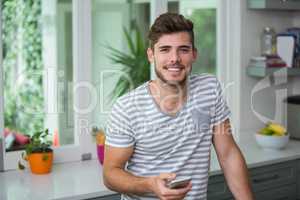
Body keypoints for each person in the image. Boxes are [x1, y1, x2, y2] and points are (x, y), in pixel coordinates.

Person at [103, 13, 254, 200]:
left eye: (183, 49)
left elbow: (228, 154)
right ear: (151, 55)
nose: (174, 58)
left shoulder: (209, 89)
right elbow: (110, 174)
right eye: (165, 49)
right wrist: (149, 184)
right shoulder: (127, 107)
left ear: (194, 54)